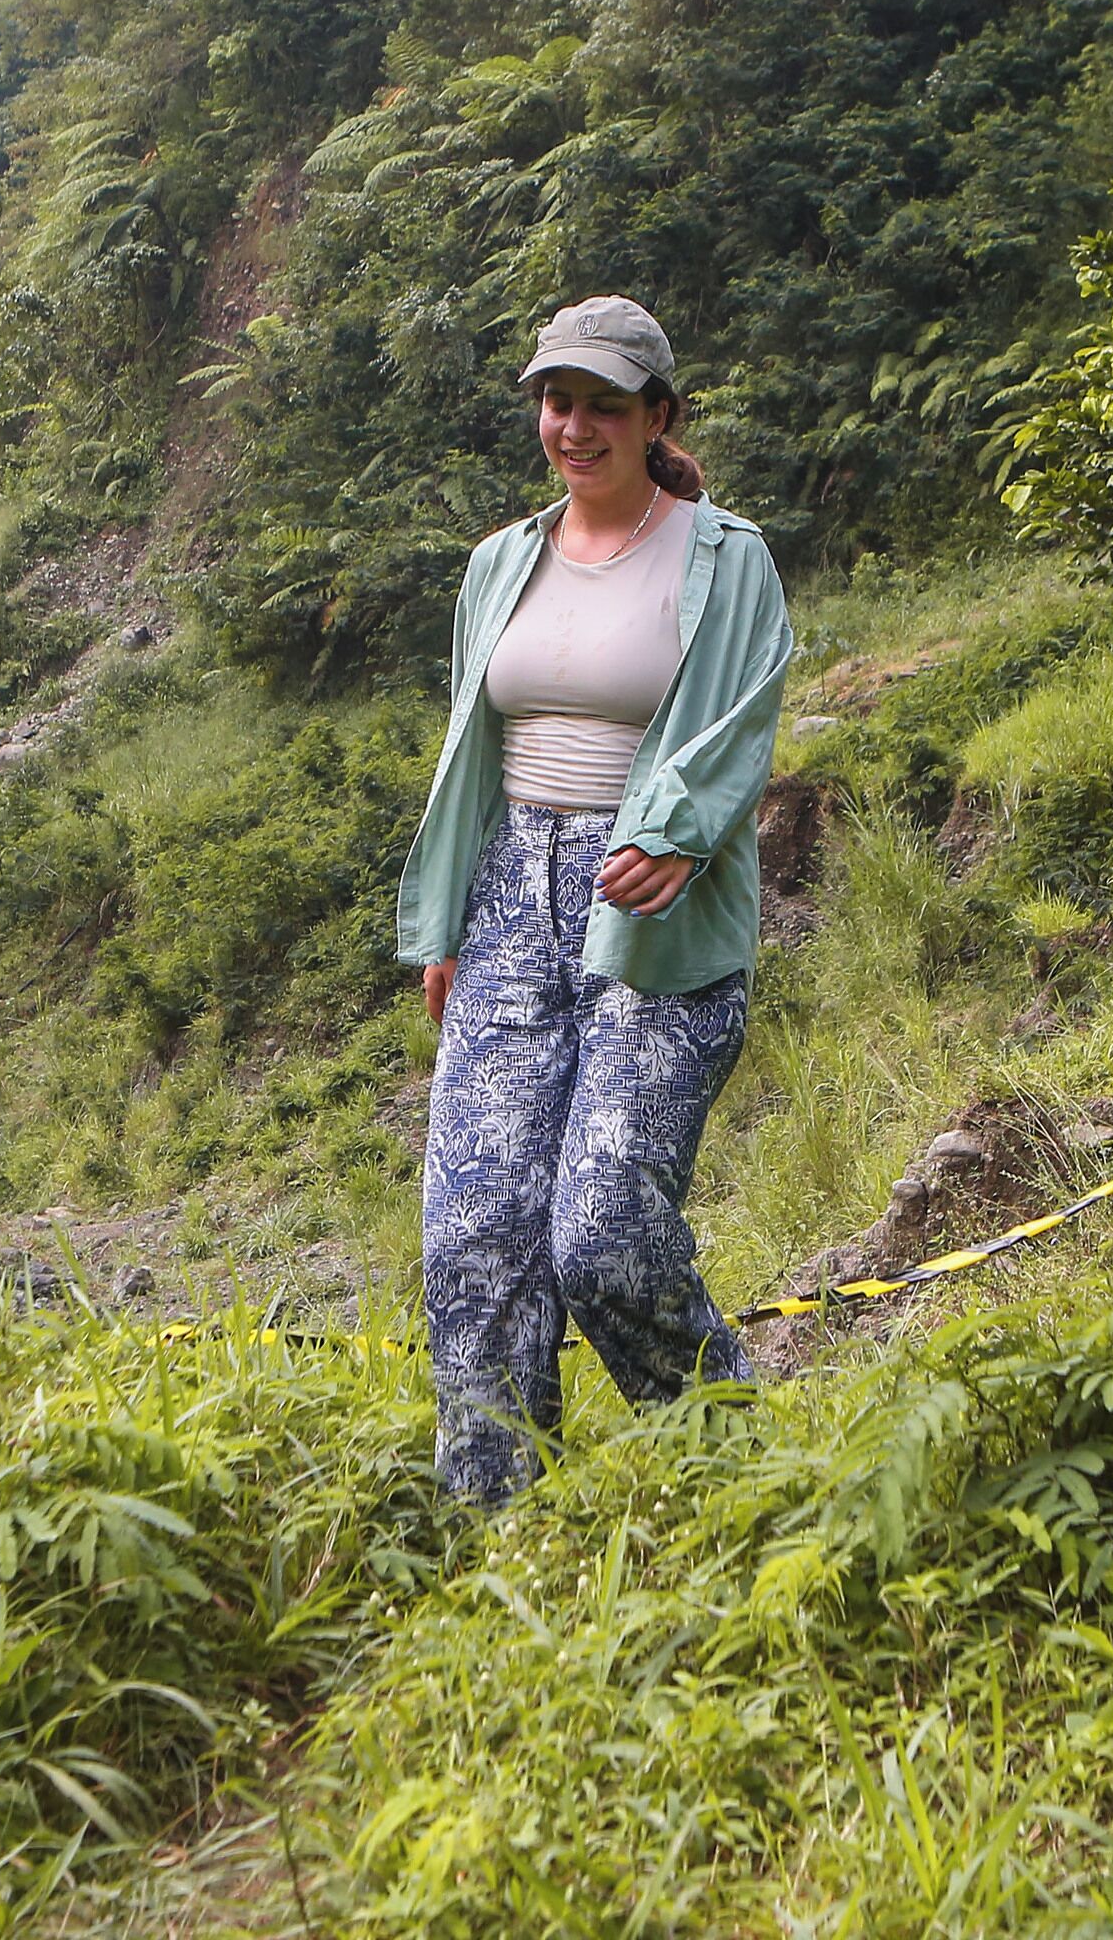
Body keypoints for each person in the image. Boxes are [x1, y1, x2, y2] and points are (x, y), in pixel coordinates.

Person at [395, 294, 794, 1503]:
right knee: (475, 1240)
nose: (574, 426)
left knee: (605, 1234)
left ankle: (743, 1481)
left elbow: (738, 720)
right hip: (510, 897)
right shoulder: (499, 565)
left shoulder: (725, 558)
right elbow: (471, 746)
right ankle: (497, 1534)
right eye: (557, 402)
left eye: (604, 405)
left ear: (656, 416)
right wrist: (449, 925)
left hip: (656, 911)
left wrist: (674, 833)